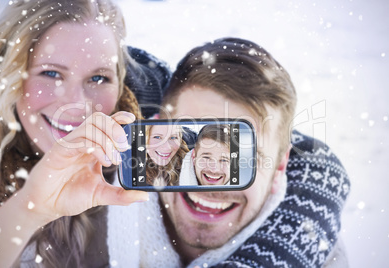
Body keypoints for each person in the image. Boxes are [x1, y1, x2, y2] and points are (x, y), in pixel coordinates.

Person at [107, 37, 350, 267]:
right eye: (192, 141)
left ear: (279, 167)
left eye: (243, 158)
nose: (213, 181)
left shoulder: (319, 256)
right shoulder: (84, 212)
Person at [0, 0, 170, 267]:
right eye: (51, 73)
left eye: (98, 78)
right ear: (9, 74)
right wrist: (30, 208)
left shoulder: (158, 122)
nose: (76, 103)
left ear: (120, 81)